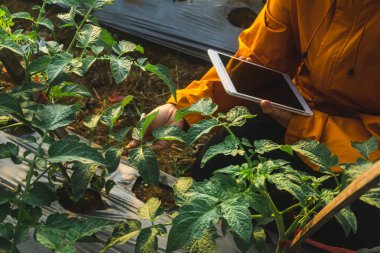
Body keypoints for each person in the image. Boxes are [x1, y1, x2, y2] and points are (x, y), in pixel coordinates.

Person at [129, 0, 380, 250]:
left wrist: (306, 126)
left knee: (350, 224)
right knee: (216, 166)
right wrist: (184, 110)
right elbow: (260, 61)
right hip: (300, 116)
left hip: (366, 156)